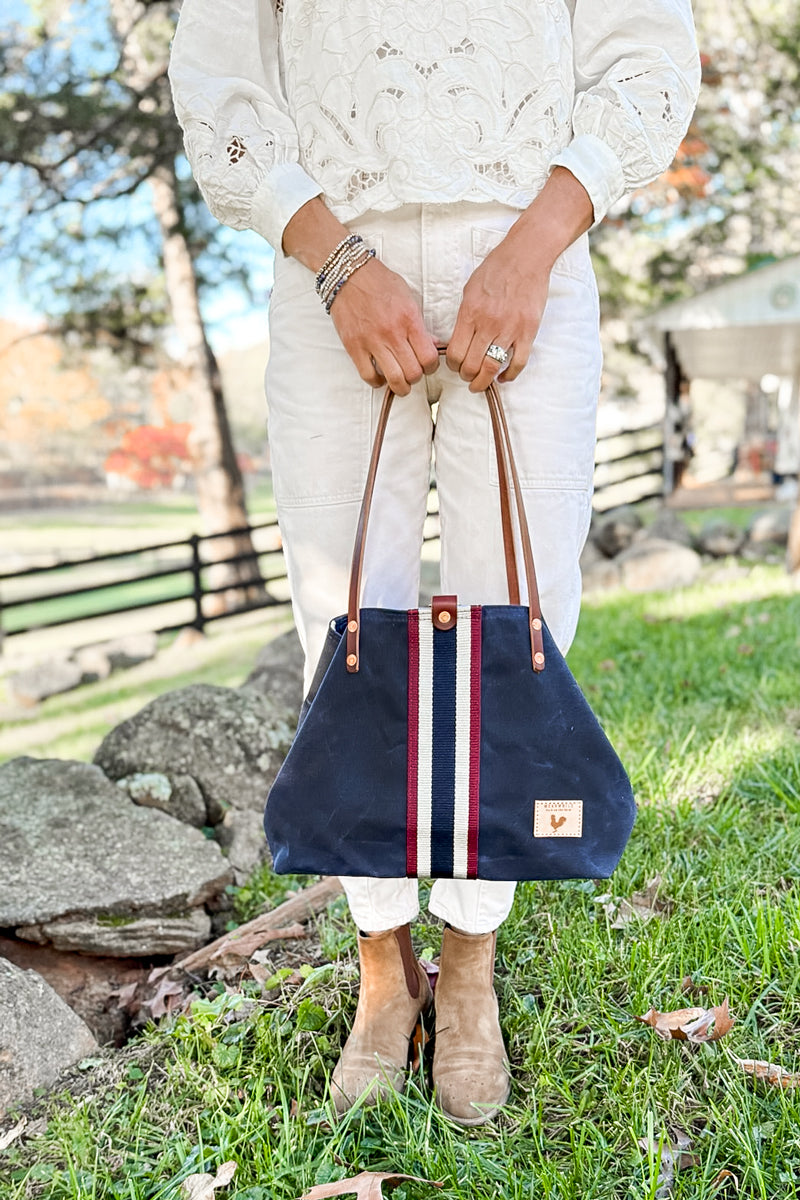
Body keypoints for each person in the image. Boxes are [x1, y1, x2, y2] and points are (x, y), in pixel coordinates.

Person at [168, 0, 701, 1125]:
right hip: (331, 269)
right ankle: (380, 966)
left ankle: (467, 967)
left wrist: (531, 247)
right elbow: (219, 74)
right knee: (342, 620)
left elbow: (644, 52)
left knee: (519, 613)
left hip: (527, 256)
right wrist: (336, 261)